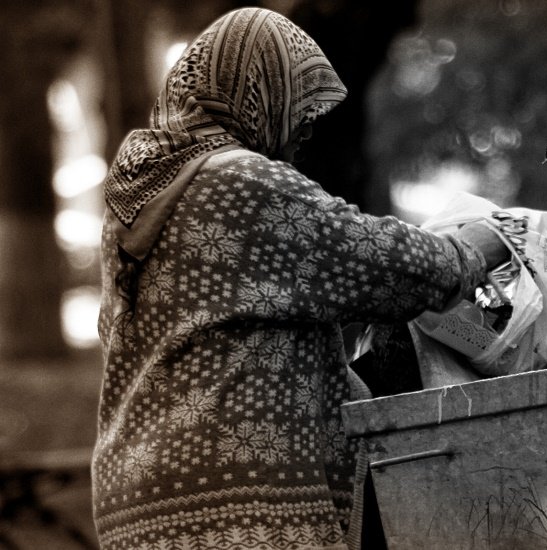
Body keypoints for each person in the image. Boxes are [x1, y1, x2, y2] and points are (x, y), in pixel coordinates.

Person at [93, 7, 507, 550]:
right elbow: (381, 262)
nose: (307, 129)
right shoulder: (239, 181)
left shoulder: (145, 187)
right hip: (236, 501)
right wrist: (475, 248)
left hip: (143, 494)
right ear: (255, 93)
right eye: (298, 106)